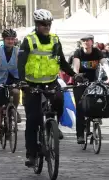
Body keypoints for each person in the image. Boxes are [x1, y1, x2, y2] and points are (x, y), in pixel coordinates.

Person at [18, 9, 77, 166]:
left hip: (50, 81)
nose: (47, 27)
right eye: (43, 24)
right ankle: (31, 153)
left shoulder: (55, 40)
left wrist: (74, 74)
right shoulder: (29, 40)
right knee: (33, 119)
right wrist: (23, 82)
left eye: (49, 24)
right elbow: (21, 63)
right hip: (31, 84)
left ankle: (53, 126)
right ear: (37, 25)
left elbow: (61, 61)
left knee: (59, 99)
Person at [72, 34, 109, 144]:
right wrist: (77, 77)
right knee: (80, 107)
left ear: (92, 42)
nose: (86, 42)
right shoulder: (78, 52)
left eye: (88, 40)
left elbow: (104, 64)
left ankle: (93, 129)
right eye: (83, 40)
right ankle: (80, 134)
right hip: (80, 82)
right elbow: (76, 66)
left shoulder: (97, 52)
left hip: (93, 82)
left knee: (95, 104)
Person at [0, 29, 21, 144]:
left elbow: (23, 66)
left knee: (16, 92)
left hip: (13, 78)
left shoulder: (18, 51)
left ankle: (14, 110)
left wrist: (24, 78)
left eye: (12, 39)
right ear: (4, 40)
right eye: (8, 39)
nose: (10, 41)